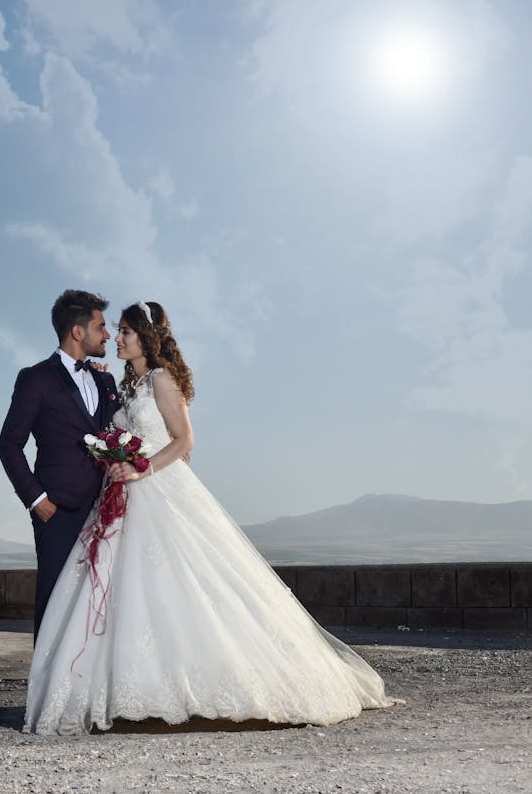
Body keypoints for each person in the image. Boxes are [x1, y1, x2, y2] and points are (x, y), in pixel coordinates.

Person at [25, 301, 400, 735]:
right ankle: (123, 689)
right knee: (124, 593)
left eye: (125, 331)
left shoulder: (162, 380)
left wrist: (138, 467)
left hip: (154, 488)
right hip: (121, 496)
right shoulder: (124, 385)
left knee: (180, 586)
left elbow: (185, 442)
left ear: (146, 337)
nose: (117, 337)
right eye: (115, 330)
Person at [0, 290, 129, 637]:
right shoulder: (36, 378)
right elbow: (9, 445)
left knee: (98, 607)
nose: (108, 335)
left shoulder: (105, 380)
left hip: (104, 510)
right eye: (101, 326)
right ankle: (46, 690)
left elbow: (117, 433)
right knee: (56, 602)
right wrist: (37, 501)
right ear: (77, 331)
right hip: (58, 512)